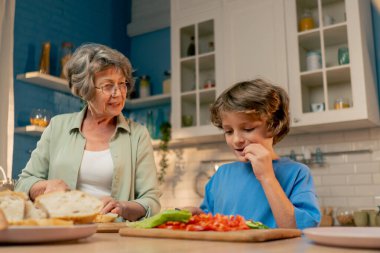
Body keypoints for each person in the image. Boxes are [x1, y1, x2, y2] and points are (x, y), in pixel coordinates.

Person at [15, 43, 160, 221]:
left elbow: (151, 201)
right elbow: (23, 183)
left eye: (122, 84)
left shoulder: (137, 135)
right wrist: (46, 186)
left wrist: (123, 207)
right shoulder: (57, 127)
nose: (118, 93)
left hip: (113, 237)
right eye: (108, 86)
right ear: (86, 90)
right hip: (61, 231)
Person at [186, 79, 320, 229]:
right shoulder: (221, 175)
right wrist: (194, 215)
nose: (236, 140)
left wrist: (267, 177)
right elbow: (210, 221)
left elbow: (300, 229)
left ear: (273, 126)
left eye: (248, 129)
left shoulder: (297, 173)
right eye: (228, 131)